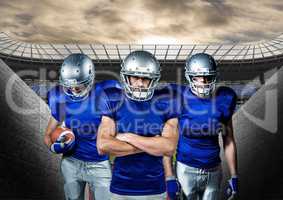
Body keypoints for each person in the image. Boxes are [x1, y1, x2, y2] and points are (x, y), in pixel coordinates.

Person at [96, 50, 179, 200]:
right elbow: (103, 145)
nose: (140, 83)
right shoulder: (112, 97)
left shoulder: (167, 101)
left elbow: (169, 147)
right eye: (135, 77)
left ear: (154, 79)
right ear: (126, 77)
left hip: (155, 187)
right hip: (120, 187)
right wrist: (152, 145)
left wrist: (128, 137)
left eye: (146, 78)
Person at [170, 53, 238, 200]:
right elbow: (167, 140)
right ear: (189, 77)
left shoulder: (225, 98)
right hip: (185, 169)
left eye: (208, 77)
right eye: (198, 77)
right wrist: (169, 176)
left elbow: (229, 139)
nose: (203, 81)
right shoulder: (178, 97)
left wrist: (234, 175)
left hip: (214, 169)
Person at [44, 53, 112, 200]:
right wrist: (52, 147)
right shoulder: (60, 97)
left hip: (99, 162)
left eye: (78, 85)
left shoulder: (105, 95)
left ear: (90, 78)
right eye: (70, 85)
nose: (74, 88)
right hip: (71, 161)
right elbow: (48, 134)